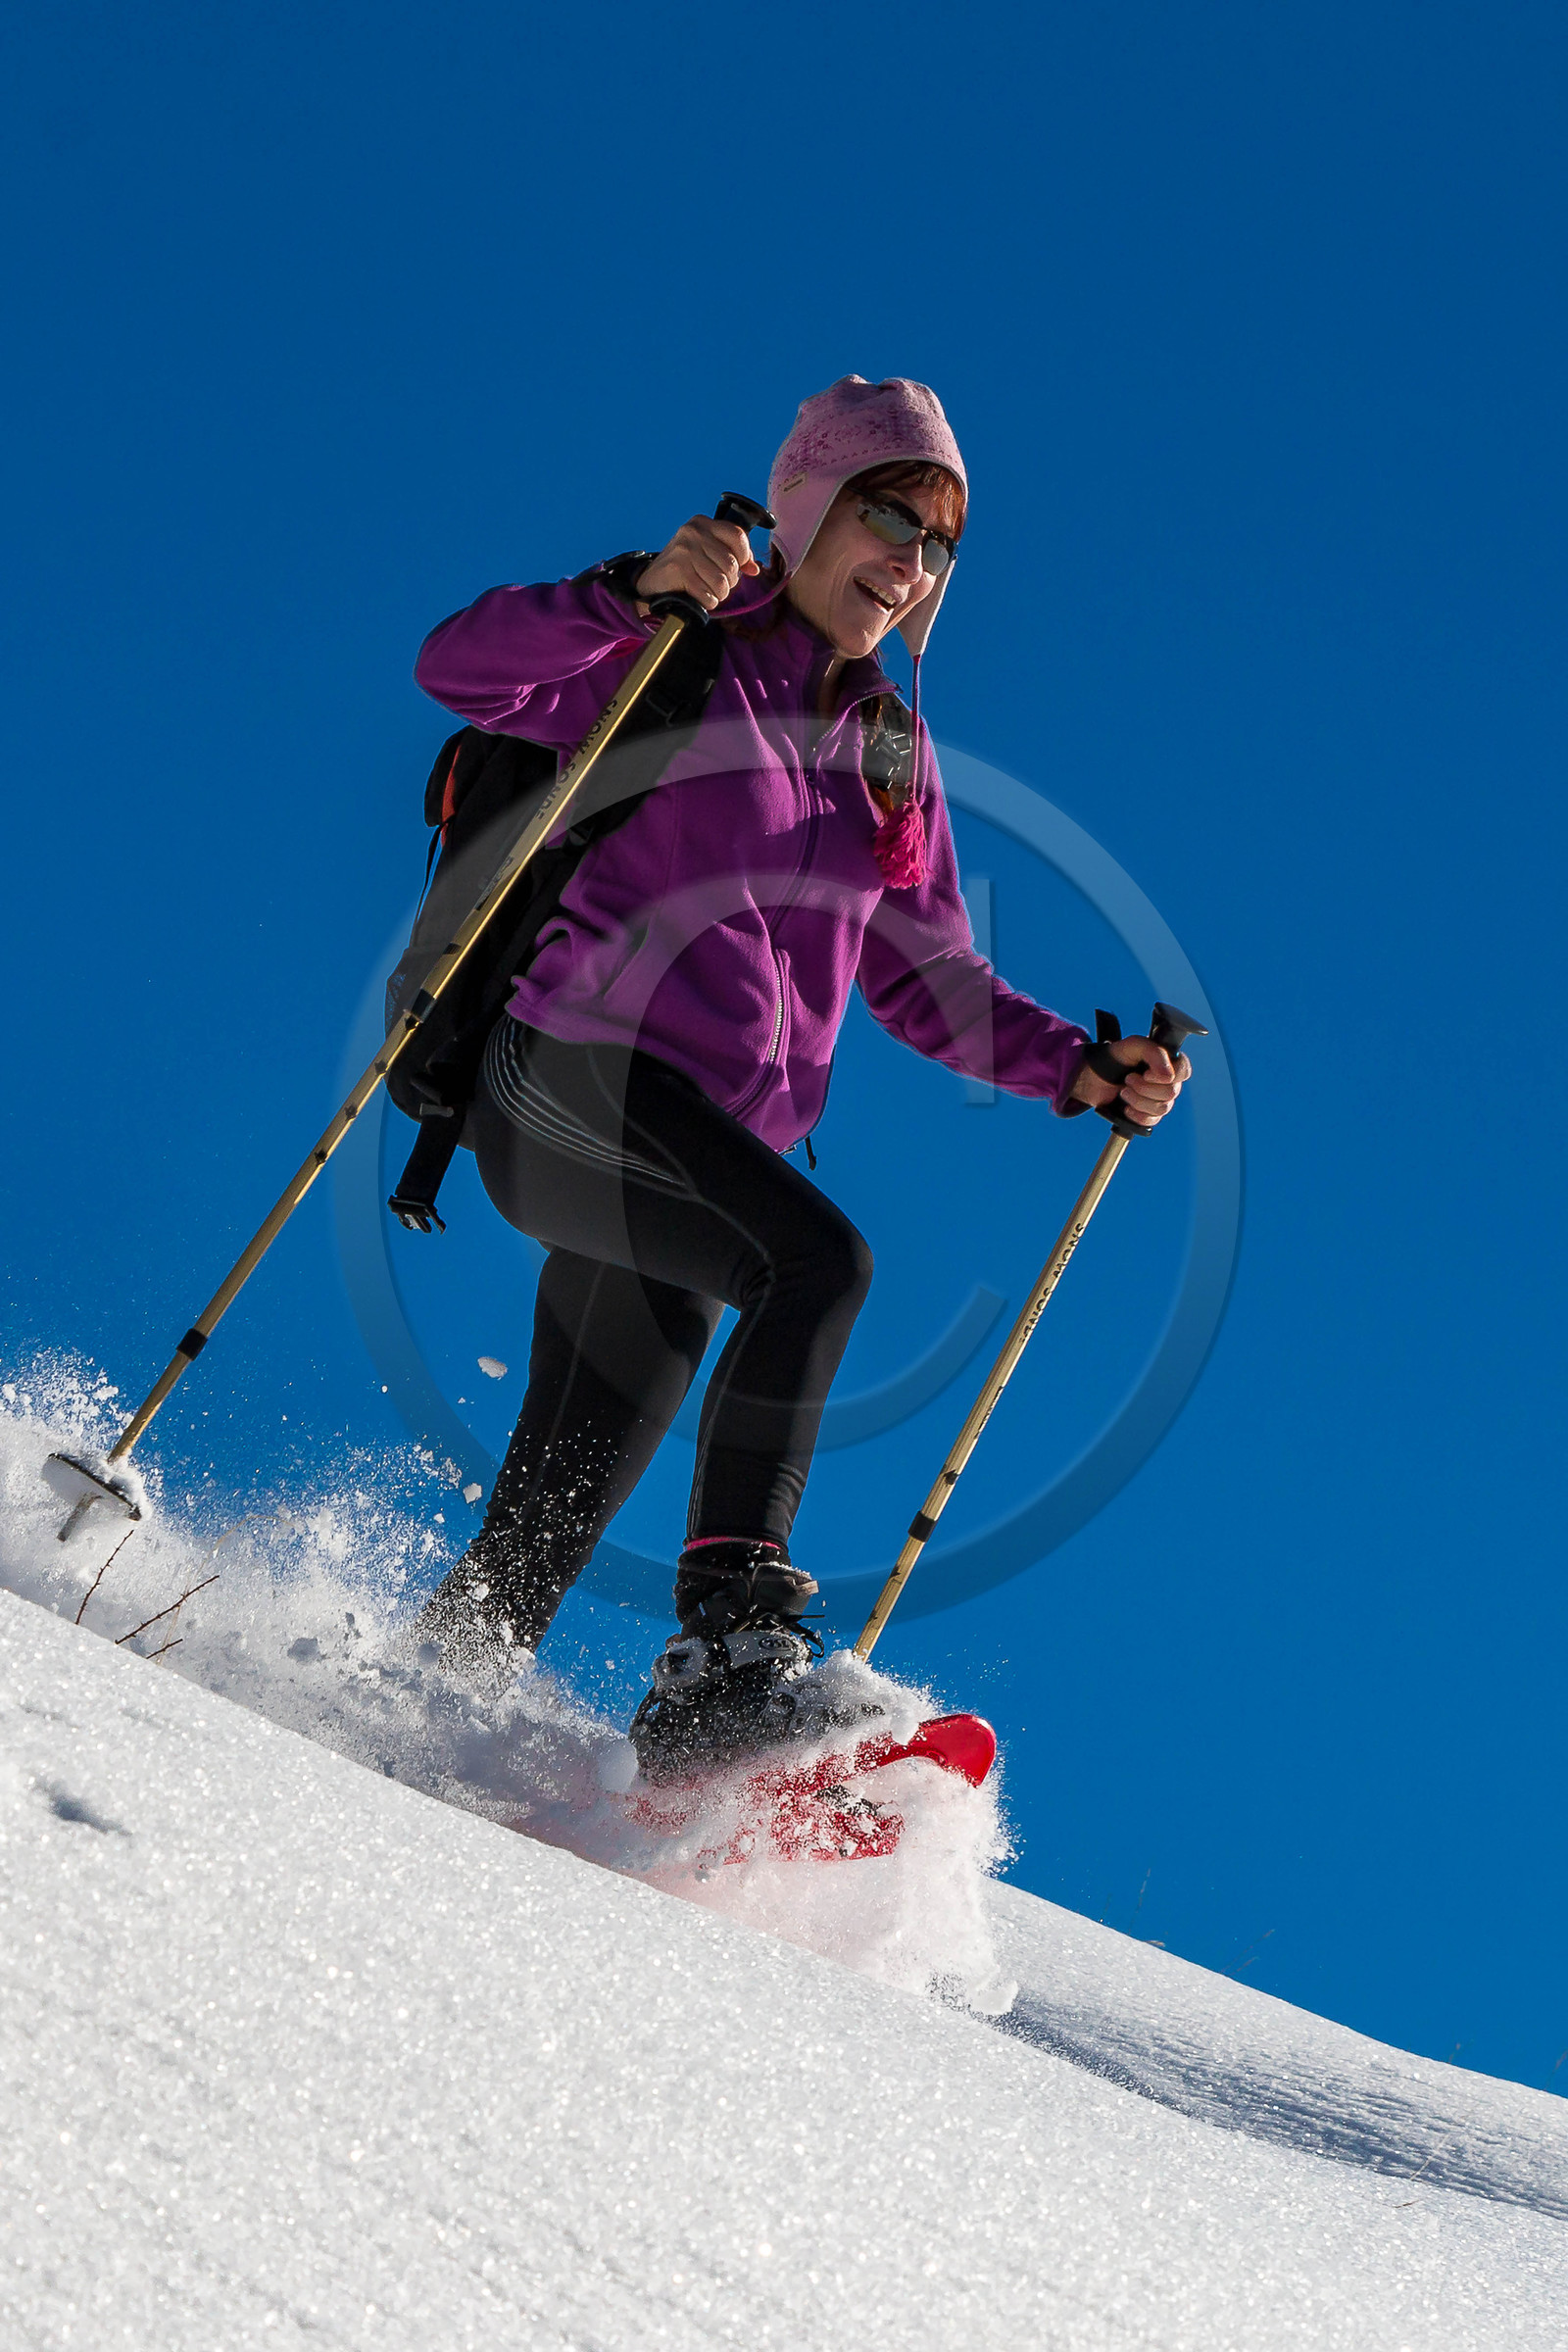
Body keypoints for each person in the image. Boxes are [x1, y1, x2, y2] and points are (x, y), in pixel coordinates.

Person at [410, 375, 1189, 1772]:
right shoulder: (685, 641)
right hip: (570, 1073)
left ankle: (410, 1722)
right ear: (812, 503)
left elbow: (924, 974)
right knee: (816, 1265)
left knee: (553, 1512)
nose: (911, 563)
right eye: (894, 516)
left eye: (940, 544)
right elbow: (463, 670)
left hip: (698, 1150)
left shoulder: (891, 753)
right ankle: (726, 1645)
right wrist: (626, 595)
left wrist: (1078, 1066)